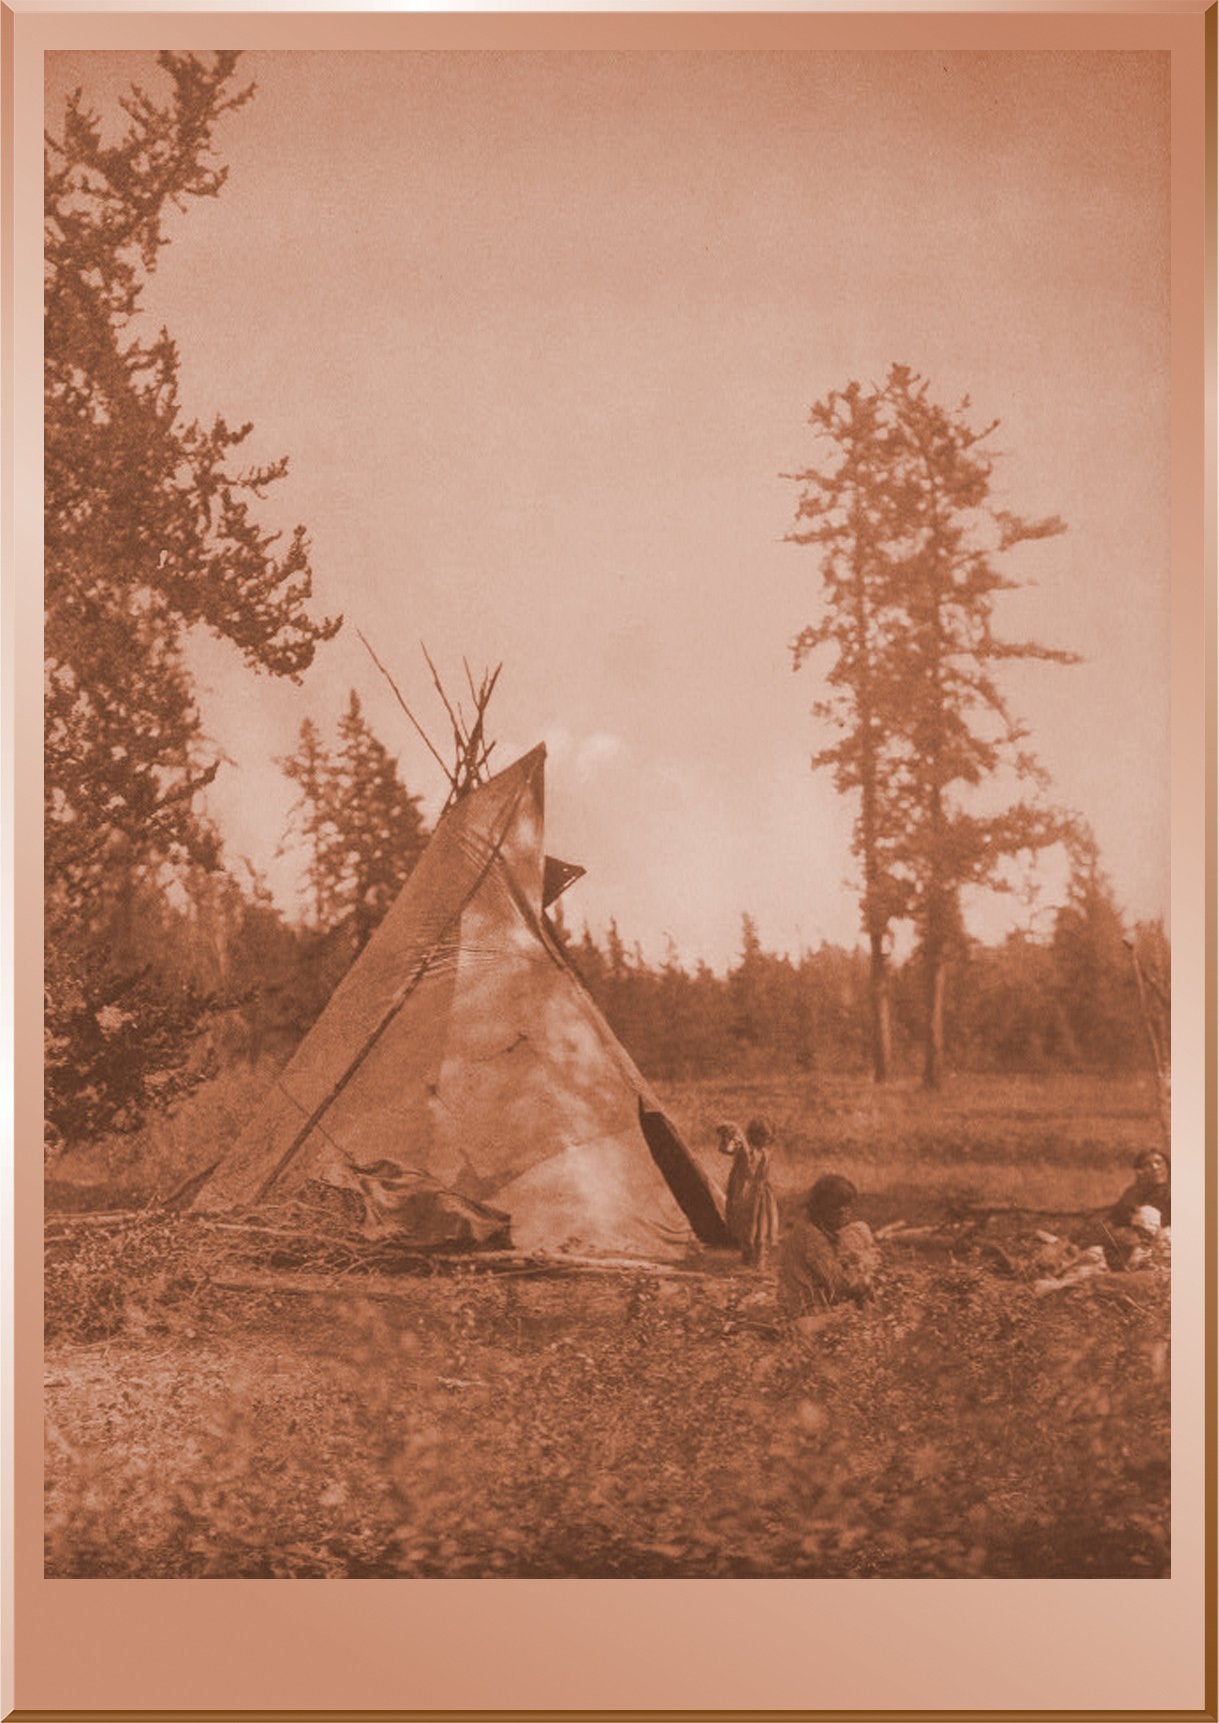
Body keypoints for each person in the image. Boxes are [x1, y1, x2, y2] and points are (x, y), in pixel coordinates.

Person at [778, 1173, 881, 1317]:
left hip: (808, 1302)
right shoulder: (811, 1236)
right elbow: (837, 1284)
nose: (844, 1211)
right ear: (822, 1208)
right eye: (837, 1207)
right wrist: (865, 1279)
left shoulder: (814, 1225)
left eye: (847, 1205)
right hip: (806, 1310)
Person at [716, 1118, 779, 1268]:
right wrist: (727, 1136)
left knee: (761, 1226)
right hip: (745, 1192)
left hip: (760, 1192)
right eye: (762, 1136)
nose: (765, 1140)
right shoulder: (745, 1149)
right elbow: (727, 1150)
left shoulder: (764, 1152)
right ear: (754, 1135)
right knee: (746, 1226)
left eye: (767, 1137)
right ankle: (748, 1256)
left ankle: (759, 1260)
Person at [1102, 1148, 1171, 1269]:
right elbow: (1116, 1218)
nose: (1155, 1167)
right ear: (1140, 1170)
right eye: (1148, 1165)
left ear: (1166, 1165)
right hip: (1139, 1241)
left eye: (1158, 1162)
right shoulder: (1134, 1191)